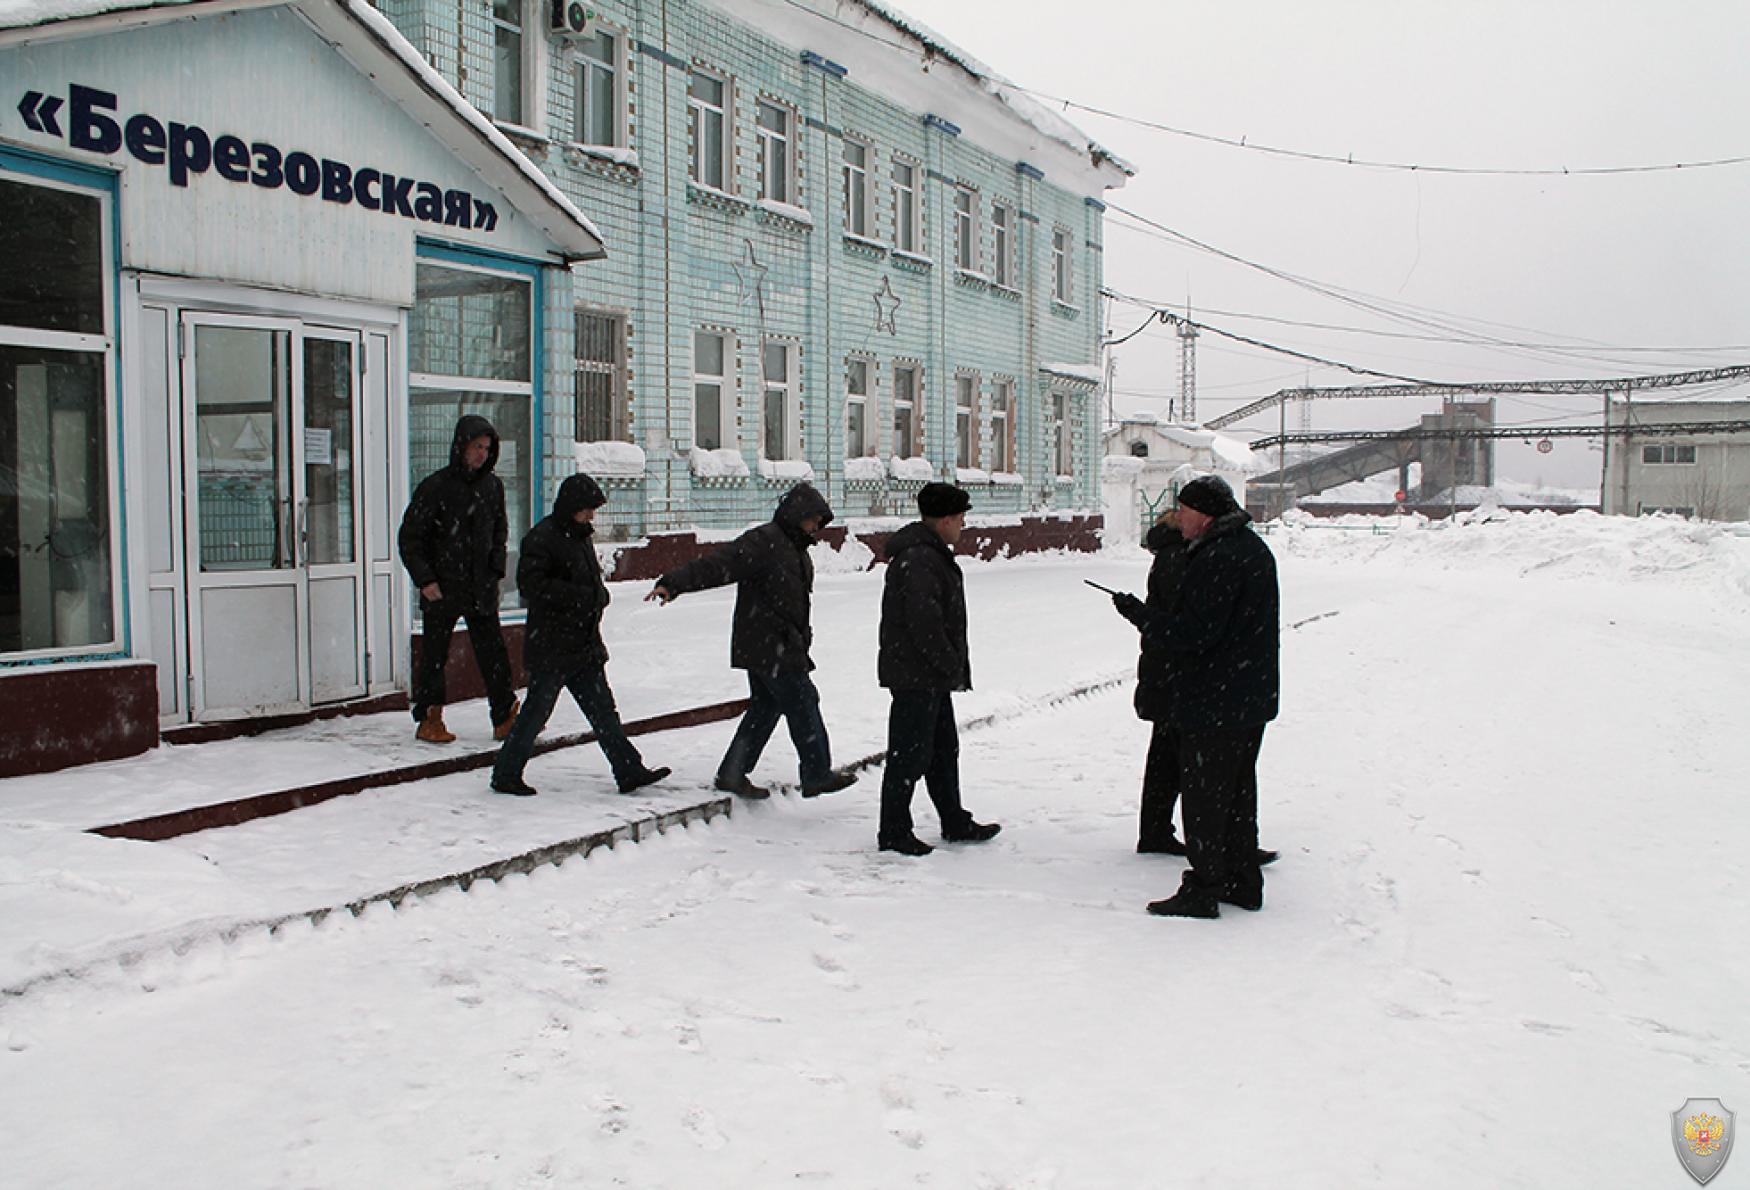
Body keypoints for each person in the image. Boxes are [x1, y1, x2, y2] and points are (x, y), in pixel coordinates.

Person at [1114, 475, 1279, 919]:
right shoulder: (1249, 548)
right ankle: (1242, 882)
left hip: (1216, 700)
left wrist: (1143, 616)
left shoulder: (1218, 557)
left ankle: (1205, 886)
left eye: (1184, 510)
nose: (1178, 517)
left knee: (1206, 801)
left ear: (1204, 514)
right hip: (1247, 696)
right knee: (1237, 796)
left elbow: (1194, 633)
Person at [645, 484, 856, 800]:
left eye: (819, 522)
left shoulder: (796, 549)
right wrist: (673, 583)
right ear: (797, 516)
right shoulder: (764, 542)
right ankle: (816, 773)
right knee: (803, 701)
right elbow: (718, 565)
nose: (816, 528)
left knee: (767, 705)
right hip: (769, 645)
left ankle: (733, 773)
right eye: (813, 520)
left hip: (778, 644)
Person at [490, 474, 670, 798]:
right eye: (586, 510)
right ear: (571, 507)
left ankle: (628, 770)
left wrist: (598, 595)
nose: (591, 517)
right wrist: (582, 597)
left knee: (604, 712)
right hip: (553, 644)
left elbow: (587, 581)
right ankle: (506, 773)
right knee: (536, 712)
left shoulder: (580, 536)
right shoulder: (542, 538)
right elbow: (532, 586)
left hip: (583, 644)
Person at [875, 483, 1001, 856]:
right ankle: (894, 831)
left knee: (943, 750)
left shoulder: (930, 554)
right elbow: (923, 621)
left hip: (929, 674)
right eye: (961, 517)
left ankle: (954, 820)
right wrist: (948, 662)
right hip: (917, 673)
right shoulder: (919, 559)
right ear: (945, 519)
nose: (963, 524)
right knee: (908, 754)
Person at [398, 414, 519, 745]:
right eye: (476, 446)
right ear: (461, 446)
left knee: (493, 654)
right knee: (435, 655)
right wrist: (425, 580)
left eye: (487, 448)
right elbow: (410, 537)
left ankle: (505, 716)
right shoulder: (436, 487)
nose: (481, 454)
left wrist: (495, 572)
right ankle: (429, 717)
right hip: (442, 587)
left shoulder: (492, 487)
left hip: (480, 586)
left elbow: (499, 533)